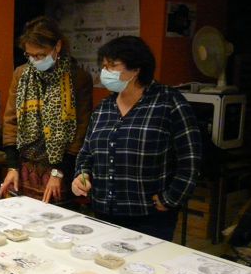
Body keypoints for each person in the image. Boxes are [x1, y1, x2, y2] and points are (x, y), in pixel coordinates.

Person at [72, 35, 201, 241]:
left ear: (136, 69)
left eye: (113, 66)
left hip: (149, 217)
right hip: (104, 212)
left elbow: (190, 160)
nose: (105, 72)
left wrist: (171, 198)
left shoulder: (168, 102)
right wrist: (82, 175)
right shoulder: (104, 108)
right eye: (104, 66)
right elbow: (87, 153)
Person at [0, 16, 93, 204]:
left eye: (40, 55)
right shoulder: (21, 74)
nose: (35, 60)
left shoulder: (77, 78)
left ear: (57, 46)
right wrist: (12, 167)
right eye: (30, 55)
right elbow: (11, 120)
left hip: (60, 168)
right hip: (25, 166)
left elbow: (81, 130)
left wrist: (58, 172)